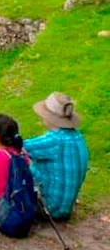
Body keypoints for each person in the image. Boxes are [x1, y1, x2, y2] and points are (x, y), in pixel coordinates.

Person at [22, 92, 89, 220]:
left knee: (16, 162)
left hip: (49, 208)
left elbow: (13, 147)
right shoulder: (78, 137)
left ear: (48, 117)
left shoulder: (54, 140)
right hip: (65, 207)